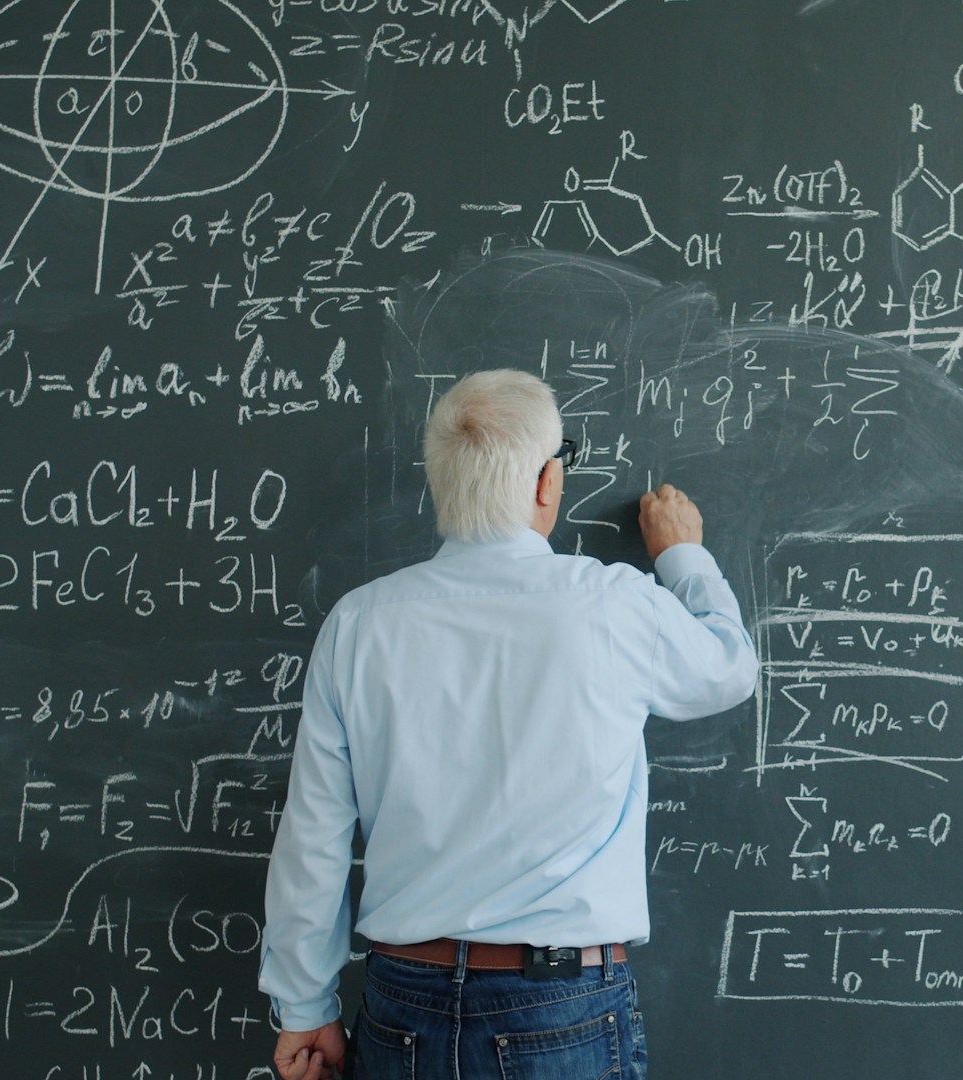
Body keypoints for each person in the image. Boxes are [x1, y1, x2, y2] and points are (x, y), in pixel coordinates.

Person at [258, 368, 758, 1080]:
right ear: (547, 482)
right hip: (560, 1006)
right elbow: (730, 667)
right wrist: (682, 555)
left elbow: (313, 837)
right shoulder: (613, 604)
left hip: (402, 1008)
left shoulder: (360, 624)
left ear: (441, 484)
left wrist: (305, 1007)